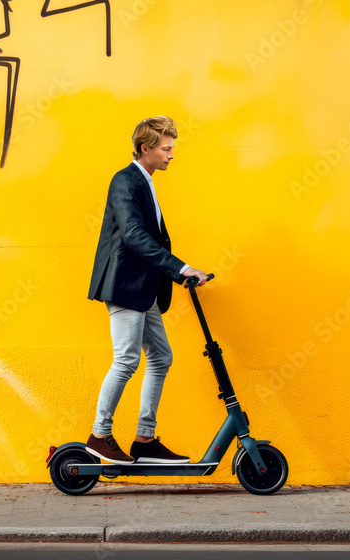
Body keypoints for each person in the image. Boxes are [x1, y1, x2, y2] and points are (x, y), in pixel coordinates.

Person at [85, 116, 208, 464]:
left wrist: (178, 274)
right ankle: (99, 435)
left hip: (145, 289)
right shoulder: (125, 181)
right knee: (126, 359)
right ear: (146, 148)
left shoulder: (146, 181)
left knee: (161, 357)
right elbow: (134, 235)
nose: (171, 155)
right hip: (126, 285)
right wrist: (180, 268)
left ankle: (144, 438)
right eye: (166, 149)